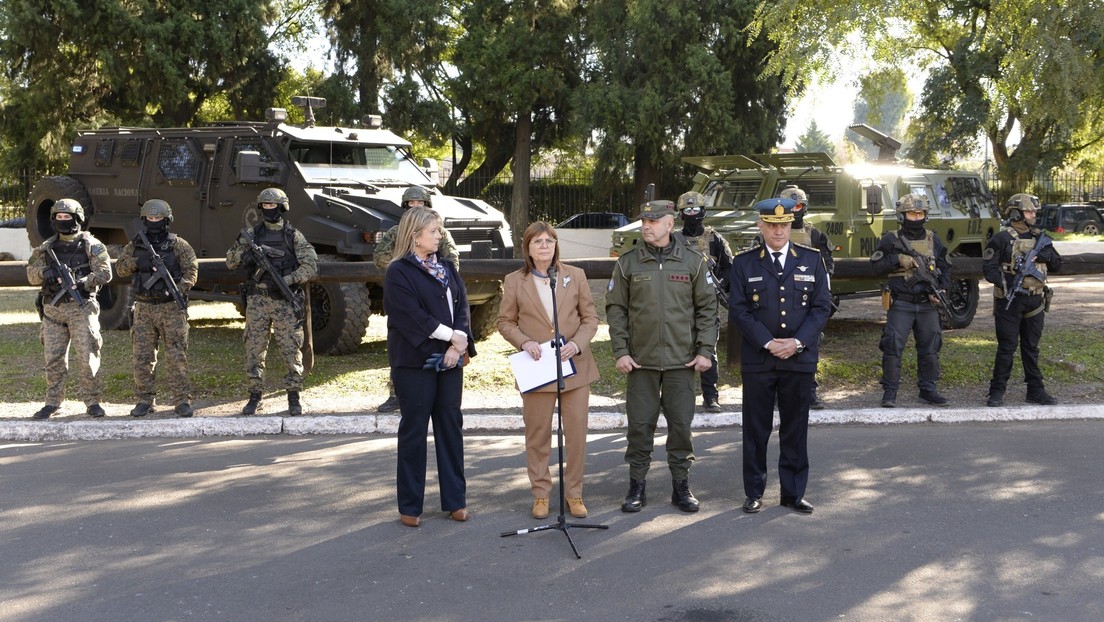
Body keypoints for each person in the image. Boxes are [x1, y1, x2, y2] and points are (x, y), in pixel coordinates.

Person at [606, 199, 718, 514]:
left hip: (682, 362)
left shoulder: (693, 261)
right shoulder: (628, 262)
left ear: (670, 223)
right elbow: (616, 310)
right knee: (640, 426)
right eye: (644, 221)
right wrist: (621, 351)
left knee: (681, 426)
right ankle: (636, 487)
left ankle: (681, 488)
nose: (646, 226)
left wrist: (705, 350)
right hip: (640, 362)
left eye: (653, 221)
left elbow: (708, 309)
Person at [730, 198, 832, 514]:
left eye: (784, 225)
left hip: (798, 359)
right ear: (761, 226)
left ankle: (792, 492)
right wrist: (768, 342)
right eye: (772, 225)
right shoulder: (744, 263)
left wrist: (797, 342)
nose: (778, 231)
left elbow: (821, 307)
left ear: (791, 225)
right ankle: (755, 492)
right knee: (756, 428)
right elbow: (738, 309)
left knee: (795, 427)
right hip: (760, 359)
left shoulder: (812, 260)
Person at [496, 222, 600, 520]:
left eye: (550, 241)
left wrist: (578, 344)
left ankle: (574, 493)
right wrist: (524, 341)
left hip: (575, 368)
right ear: (527, 248)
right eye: (538, 242)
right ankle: (541, 494)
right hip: (538, 369)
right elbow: (505, 322)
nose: (544, 246)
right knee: (538, 434)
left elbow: (590, 318)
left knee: (577, 434)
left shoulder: (574, 276)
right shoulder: (515, 281)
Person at [383, 206, 475, 527]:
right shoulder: (398, 272)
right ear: (415, 235)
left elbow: (462, 304)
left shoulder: (447, 267)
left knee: (451, 426)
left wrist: (458, 342)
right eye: (434, 231)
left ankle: (456, 501)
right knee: (414, 429)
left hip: (451, 359)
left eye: (439, 230)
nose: (440, 236)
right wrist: (452, 338)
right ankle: (410, 506)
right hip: (414, 362)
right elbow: (412, 317)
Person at [226, 187, 318, 416]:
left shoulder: (292, 236)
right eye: (265, 205)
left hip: (284, 301)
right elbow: (230, 260)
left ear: (282, 207)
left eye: (273, 205)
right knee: (254, 349)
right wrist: (243, 256)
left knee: (290, 349)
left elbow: (311, 266)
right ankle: (255, 395)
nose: (269, 209)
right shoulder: (251, 235)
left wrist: (288, 279)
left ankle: (294, 394)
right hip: (258, 300)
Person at [374, 186, 460, 413]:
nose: (414, 207)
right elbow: (380, 256)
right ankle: (396, 393)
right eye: (410, 204)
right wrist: (405, 268)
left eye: (419, 203)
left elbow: (452, 260)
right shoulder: (395, 232)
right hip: (404, 296)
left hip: (437, 300)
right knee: (404, 347)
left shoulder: (440, 232)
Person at [26, 198, 113, 419]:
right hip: (53, 310)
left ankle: (93, 402)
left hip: (81, 309)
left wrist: (83, 282)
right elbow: (31, 274)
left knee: (88, 357)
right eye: (59, 217)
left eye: (67, 217)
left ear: (77, 218)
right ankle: (53, 402)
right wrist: (44, 272)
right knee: (53, 359)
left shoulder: (92, 244)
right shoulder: (46, 248)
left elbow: (105, 273)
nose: (62, 221)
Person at [115, 199, 199, 417]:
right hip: (144, 307)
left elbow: (191, 271)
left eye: (158, 218)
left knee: (176, 356)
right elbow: (121, 268)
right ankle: (145, 399)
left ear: (167, 220)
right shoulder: (136, 245)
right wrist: (137, 262)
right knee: (142, 357)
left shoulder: (178, 244)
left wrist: (176, 290)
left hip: (171, 307)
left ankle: (181, 400)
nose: (154, 222)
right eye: (150, 219)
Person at [870, 192, 952, 408]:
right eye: (911, 214)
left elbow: (945, 267)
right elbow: (876, 266)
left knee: (930, 347)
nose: (915, 218)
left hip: (927, 304)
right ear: (902, 215)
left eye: (920, 213)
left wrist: (941, 289)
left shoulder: (934, 240)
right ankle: (890, 392)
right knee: (893, 346)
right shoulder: (891, 239)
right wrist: (897, 259)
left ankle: (928, 389)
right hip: (901, 303)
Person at [983, 193, 1062, 407]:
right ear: (1017, 213)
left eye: (1034, 212)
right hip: (1010, 300)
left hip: (1035, 301)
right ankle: (996, 392)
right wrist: (1005, 280)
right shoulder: (1001, 238)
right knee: (1007, 348)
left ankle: (1036, 391)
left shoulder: (1039, 238)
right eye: (1029, 211)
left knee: (1031, 348)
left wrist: (1043, 256)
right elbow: (988, 269)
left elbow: (1057, 263)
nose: (1033, 215)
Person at [779, 185, 835, 409]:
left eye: (799, 206)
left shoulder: (816, 236)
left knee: (809, 346)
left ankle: (809, 392)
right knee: (777, 346)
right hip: (779, 301)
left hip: (807, 302)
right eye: (789, 207)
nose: (794, 211)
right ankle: (777, 394)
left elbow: (828, 266)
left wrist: (823, 296)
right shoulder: (771, 232)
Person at [677, 191, 732, 413]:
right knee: (679, 350)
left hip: (708, 303)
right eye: (687, 210)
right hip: (679, 304)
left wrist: (720, 284)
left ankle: (710, 396)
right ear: (681, 213)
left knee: (709, 350)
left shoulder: (715, 239)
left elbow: (729, 268)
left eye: (695, 210)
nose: (691, 214)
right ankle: (680, 396)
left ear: (703, 212)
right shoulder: (674, 240)